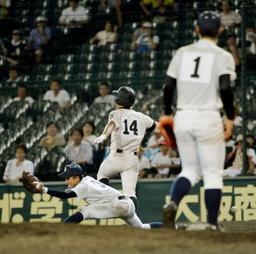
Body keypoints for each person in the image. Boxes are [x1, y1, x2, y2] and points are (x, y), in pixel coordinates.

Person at [162, 11, 236, 230]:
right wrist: (230, 117)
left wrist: (167, 112)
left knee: (189, 171)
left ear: (196, 29)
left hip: (183, 116)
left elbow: (168, 86)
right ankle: (212, 224)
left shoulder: (182, 53)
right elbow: (225, 88)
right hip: (208, 116)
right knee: (212, 173)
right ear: (220, 30)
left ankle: (174, 203)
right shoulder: (223, 56)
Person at [22, 162, 162, 228]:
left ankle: (62, 229)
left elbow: (65, 196)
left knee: (85, 211)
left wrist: (44, 190)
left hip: (118, 205)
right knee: (143, 228)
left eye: (68, 177)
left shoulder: (83, 185)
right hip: (126, 204)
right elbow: (67, 193)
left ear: (77, 177)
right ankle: (171, 227)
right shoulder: (87, 180)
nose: (66, 180)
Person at [95, 86, 156, 209]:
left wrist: (103, 135)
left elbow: (111, 124)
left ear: (118, 100)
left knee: (101, 175)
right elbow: (156, 126)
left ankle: (114, 199)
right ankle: (137, 224)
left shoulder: (115, 113)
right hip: (132, 159)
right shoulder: (142, 116)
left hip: (116, 157)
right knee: (131, 194)